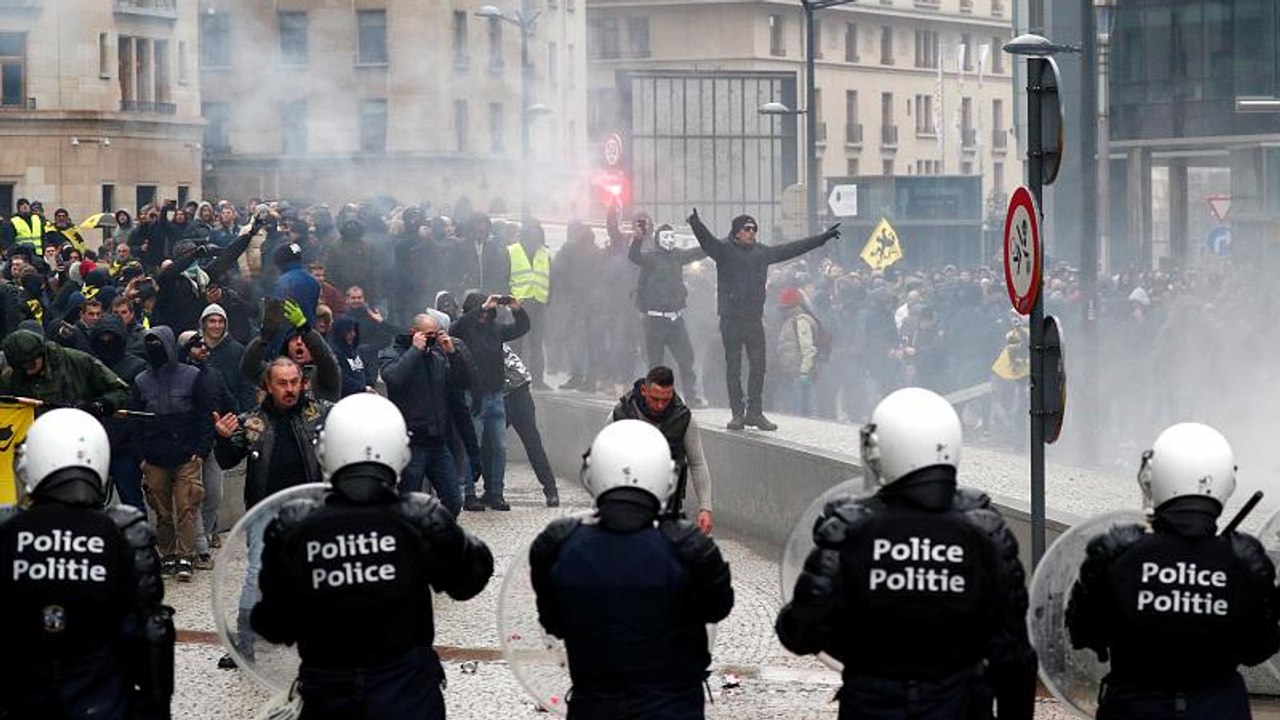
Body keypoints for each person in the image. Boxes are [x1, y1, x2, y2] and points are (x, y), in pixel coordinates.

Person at [776, 387, 1036, 720]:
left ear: (887, 450)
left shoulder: (850, 530)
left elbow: (800, 633)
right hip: (959, 704)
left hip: (872, 704)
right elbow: (1014, 658)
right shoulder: (987, 536)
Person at [250, 393, 494, 720]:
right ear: (401, 452)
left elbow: (272, 623)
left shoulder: (296, 527)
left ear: (325, 451)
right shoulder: (419, 518)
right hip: (408, 695)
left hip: (328, 694)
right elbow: (469, 581)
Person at [1065, 423, 1280, 720]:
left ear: (1153, 479)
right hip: (1219, 708)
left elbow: (1082, 632)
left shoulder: (1116, 552)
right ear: (1226, 483)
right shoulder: (1246, 560)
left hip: (1133, 708)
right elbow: (1260, 647)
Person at [529, 420, 733, 719]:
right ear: (668, 477)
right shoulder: (690, 548)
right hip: (672, 706)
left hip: (594, 705)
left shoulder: (558, 545)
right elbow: (717, 607)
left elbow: (554, 622)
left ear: (591, 473)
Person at [0, 408, 173, 720]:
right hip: (102, 700)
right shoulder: (123, 530)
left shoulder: (10, 530)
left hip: (21, 699)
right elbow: (150, 632)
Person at [212, 357, 331, 669]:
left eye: (294, 381)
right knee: (256, 576)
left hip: (308, 508)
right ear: (267, 386)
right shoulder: (252, 422)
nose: (290, 389)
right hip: (266, 510)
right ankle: (245, 646)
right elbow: (226, 460)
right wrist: (222, 440)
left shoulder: (316, 413)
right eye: (282, 383)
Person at [687, 208, 840, 431]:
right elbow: (707, 241)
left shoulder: (761, 252)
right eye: (747, 229)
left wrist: (822, 238)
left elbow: (792, 248)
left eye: (755, 229)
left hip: (754, 319)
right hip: (731, 319)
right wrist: (696, 223)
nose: (752, 232)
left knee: (759, 366)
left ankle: (755, 412)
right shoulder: (724, 250)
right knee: (734, 367)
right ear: (736, 232)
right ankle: (737, 413)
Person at [130, 326, 216, 581]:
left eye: (159, 344)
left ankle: (185, 556)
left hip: (187, 455)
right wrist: (141, 458)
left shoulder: (192, 376)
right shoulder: (141, 381)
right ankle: (167, 554)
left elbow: (205, 415)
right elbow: (134, 422)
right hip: (154, 458)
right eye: (150, 344)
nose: (155, 349)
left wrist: (201, 451)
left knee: (187, 506)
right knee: (162, 511)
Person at [379, 313, 470, 515]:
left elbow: (462, 382)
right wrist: (415, 350)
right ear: (415, 333)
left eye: (435, 334)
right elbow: (393, 378)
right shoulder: (393, 352)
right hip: (412, 444)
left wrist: (453, 354)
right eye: (429, 335)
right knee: (408, 505)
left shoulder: (437, 355)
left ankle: (440, 537)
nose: (432, 339)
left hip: (438, 442)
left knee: (454, 501)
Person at [609, 365, 713, 535]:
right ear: (644, 390)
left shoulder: (684, 419)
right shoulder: (621, 414)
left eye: (665, 400)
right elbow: (602, 458)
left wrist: (705, 508)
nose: (660, 405)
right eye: (655, 399)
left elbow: (697, 463)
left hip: (669, 505)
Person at [451, 291, 529, 511]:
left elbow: (521, 328)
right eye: (481, 311)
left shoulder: (496, 330)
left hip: (496, 396)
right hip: (473, 396)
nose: (485, 315)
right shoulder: (465, 330)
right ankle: (469, 493)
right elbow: (455, 328)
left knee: (500, 448)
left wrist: (516, 309)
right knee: (471, 446)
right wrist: (482, 307)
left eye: (489, 311)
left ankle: (495, 492)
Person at [629, 222, 707, 406]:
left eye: (672, 237)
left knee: (686, 358)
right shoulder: (651, 258)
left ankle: (690, 396)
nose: (670, 241)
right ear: (658, 240)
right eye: (666, 237)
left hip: (675, 318)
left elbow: (699, 252)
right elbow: (634, 256)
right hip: (655, 320)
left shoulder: (678, 255)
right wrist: (637, 240)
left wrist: (711, 241)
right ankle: (655, 399)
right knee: (656, 363)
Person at [0, 328, 130, 415]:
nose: (27, 371)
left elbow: (121, 390)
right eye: (20, 367)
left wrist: (99, 405)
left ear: (41, 353)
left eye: (30, 364)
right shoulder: (11, 377)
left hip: (78, 437)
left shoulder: (79, 362)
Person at [501, 343, 560, 507]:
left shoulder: (494, 335)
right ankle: (492, 492)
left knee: (533, 443)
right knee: (490, 445)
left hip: (517, 393)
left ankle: (551, 489)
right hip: (497, 395)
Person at [506, 219, 552, 390]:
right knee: (516, 342)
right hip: (517, 304)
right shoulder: (512, 251)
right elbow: (505, 277)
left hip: (538, 303)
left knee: (536, 343)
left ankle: (538, 379)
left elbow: (549, 278)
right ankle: (513, 377)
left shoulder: (544, 253)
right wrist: (507, 302)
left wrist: (548, 300)